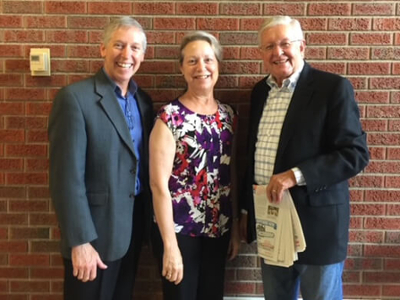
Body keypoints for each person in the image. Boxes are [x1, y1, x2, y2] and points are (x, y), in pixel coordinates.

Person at [239, 16, 369, 300]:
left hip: (318, 225)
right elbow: (254, 153)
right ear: (260, 53)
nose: (278, 52)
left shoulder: (332, 88)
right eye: (269, 46)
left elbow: (355, 154)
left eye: (285, 43)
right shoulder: (260, 92)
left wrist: (295, 175)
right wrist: (247, 211)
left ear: (302, 46)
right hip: (272, 220)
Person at [48, 17, 154, 300]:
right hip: (93, 237)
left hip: (131, 232)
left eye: (134, 48)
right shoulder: (75, 99)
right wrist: (80, 240)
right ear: (102, 49)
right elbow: (66, 179)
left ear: (142, 56)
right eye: (118, 45)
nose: (126, 55)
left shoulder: (142, 101)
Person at [149, 31, 240, 300]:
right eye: (192, 61)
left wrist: (234, 229)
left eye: (208, 60)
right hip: (178, 230)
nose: (202, 68)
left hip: (218, 228)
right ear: (181, 68)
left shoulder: (228, 116)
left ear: (218, 65)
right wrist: (170, 246)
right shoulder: (169, 117)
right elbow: (158, 185)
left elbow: (230, 173)